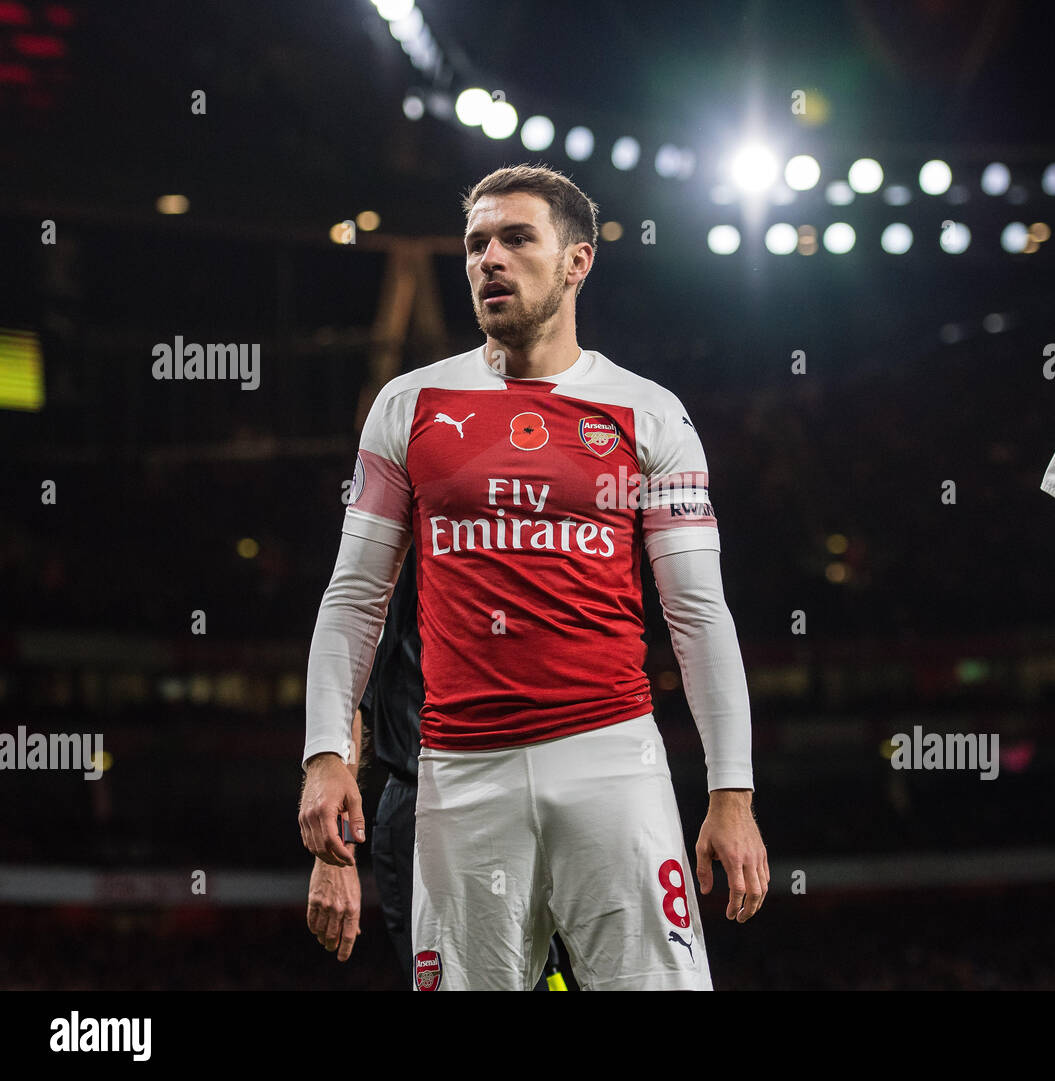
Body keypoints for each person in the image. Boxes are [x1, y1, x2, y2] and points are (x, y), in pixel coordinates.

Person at [299, 163, 767, 991]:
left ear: (577, 261)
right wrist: (325, 752)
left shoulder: (648, 412)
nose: (490, 260)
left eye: (516, 239)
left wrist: (732, 791)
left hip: (612, 761)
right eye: (477, 243)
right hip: (458, 772)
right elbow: (354, 597)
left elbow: (697, 614)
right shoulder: (409, 406)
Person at [305, 549, 569, 988]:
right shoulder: (405, 541)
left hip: (528, 803)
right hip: (428, 806)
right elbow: (347, 695)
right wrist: (336, 854)